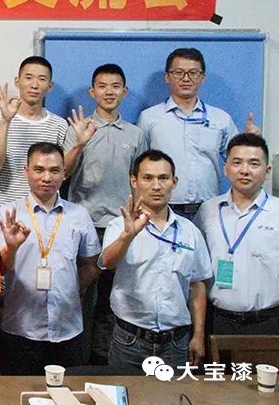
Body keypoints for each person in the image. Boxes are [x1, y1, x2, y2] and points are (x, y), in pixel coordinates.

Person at [0, 142, 100, 375]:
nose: (47, 177)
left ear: (64, 173)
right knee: (16, 392)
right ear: (26, 171)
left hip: (67, 329)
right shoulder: (8, 214)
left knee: (66, 392)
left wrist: (73, 288)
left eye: (54, 170)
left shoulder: (79, 215)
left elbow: (92, 265)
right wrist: (11, 247)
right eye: (39, 170)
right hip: (20, 327)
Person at [63, 63, 147, 364]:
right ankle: (78, 360)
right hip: (84, 224)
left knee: (114, 297)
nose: (109, 92)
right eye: (102, 86)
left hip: (120, 227)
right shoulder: (80, 128)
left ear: (124, 91)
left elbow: (142, 178)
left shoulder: (136, 134)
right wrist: (79, 143)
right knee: (81, 294)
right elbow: (63, 172)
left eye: (115, 86)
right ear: (92, 91)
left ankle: (104, 361)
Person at [100, 150, 211, 369]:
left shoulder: (190, 231)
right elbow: (108, 263)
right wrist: (127, 235)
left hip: (176, 343)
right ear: (134, 181)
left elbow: (197, 285)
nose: (156, 186)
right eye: (148, 178)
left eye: (163, 178)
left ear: (174, 182)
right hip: (130, 339)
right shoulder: (119, 226)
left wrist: (198, 334)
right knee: (124, 391)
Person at [137, 47, 259, 217]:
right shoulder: (149, 118)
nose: (186, 79)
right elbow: (138, 166)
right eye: (179, 73)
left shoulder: (220, 118)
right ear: (167, 77)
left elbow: (238, 161)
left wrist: (252, 144)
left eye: (193, 73)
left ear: (202, 77)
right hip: (162, 208)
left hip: (209, 209)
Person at [194, 133, 278, 335]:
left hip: (268, 322)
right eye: (237, 162)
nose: (244, 170)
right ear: (225, 168)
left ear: (267, 171)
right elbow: (197, 271)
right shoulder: (207, 210)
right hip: (217, 321)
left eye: (254, 163)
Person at [0, 56, 68, 221]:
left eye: (42, 79)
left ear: (50, 86)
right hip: (7, 213)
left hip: (48, 215)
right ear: (17, 81)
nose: (34, 85)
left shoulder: (59, 125)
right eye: (28, 78)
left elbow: (63, 172)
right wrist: (6, 121)